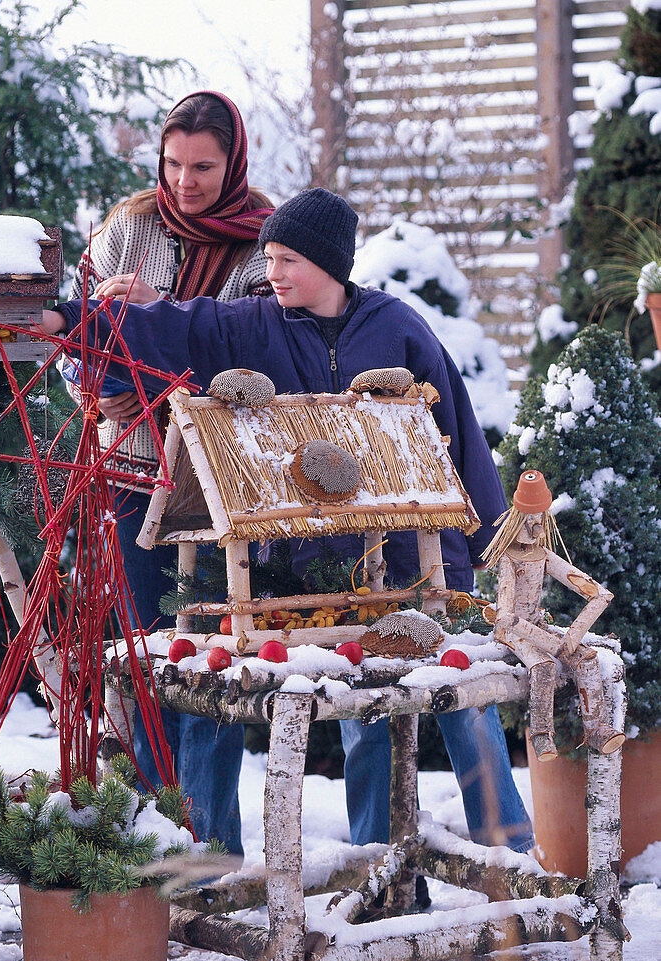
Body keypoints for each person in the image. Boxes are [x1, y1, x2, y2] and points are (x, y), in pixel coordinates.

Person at [44, 187, 535, 861]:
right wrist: (67, 318)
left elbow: (456, 423)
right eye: (268, 256)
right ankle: (374, 861)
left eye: (286, 259)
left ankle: (509, 846)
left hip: (416, 556)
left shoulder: (398, 327)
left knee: (456, 696)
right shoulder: (252, 326)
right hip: (316, 565)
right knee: (361, 707)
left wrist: (484, 536)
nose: (271, 271)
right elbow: (174, 328)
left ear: (330, 264)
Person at [69, 90, 274, 857]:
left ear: (235, 163)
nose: (185, 182)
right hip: (131, 474)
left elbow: (251, 365)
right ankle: (157, 850)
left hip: (217, 487)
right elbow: (78, 358)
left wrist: (153, 319)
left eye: (204, 167)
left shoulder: (265, 244)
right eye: (173, 163)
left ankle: (212, 852)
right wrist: (114, 370)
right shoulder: (126, 232)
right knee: (150, 657)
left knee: (211, 665)